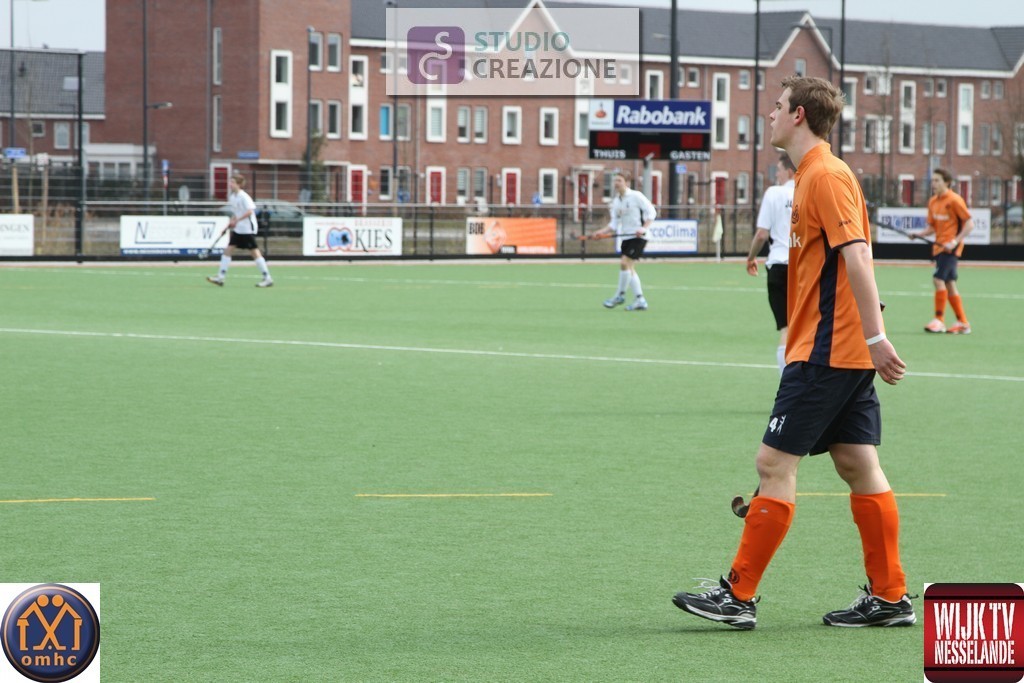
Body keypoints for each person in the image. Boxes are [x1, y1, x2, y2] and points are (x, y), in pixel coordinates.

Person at [673, 76, 914, 630]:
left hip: (829, 348)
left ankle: (737, 596)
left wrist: (875, 337)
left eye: (778, 106)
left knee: (773, 464)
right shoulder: (810, 175)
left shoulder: (825, 174)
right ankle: (890, 596)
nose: (771, 115)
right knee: (857, 464)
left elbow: (857, 256)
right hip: (838, 347)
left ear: (799, 115)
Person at [746, 154, 797, 374]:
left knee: (786, 328)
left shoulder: (774, 193)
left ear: (789, 171)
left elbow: (761, 234)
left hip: (778, 265)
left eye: (778, 170)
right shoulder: (809, 191)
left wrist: (751, 257)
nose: (776, 174)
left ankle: (787, 385)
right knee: (807, 328)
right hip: (804, 267)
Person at [911, 168, 974, 334]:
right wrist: (918, 235)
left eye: (937, 180)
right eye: (932, 180)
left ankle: (939, 320)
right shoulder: (933, 201)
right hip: (939, 247)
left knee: (938, 279)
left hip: (950, 249)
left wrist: (954, 242)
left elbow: (969, 224)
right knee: (949, 284)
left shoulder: (955, 200)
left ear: (947, 182)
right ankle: (963, 323)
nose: (933, 183)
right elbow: (932, 227)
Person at [586, 172, 657, 311]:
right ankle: (640, 300)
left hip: (639, 237)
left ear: (627, 182)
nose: (616, 183)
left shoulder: (636, 196)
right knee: (629, 268)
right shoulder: (616, 202)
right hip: (626, 237)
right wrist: (600, 232)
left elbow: (652, 212)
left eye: (619, 180)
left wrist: (643, 228)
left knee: (625, 263)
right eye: (615, 181)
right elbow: (614, 224)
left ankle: (620, 295)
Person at [207, 173, 274, 288]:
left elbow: (250, 211)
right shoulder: (233, 197)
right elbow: (236, 213)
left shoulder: (244, 196)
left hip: (248, 229)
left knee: (254, 252)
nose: (230, 184)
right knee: (228, 250)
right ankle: (220, 277)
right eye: (230, 182)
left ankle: (267, 277)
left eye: (232, 182)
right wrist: (228, 225)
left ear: (239, 184)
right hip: (239, 229)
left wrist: (237, 220)